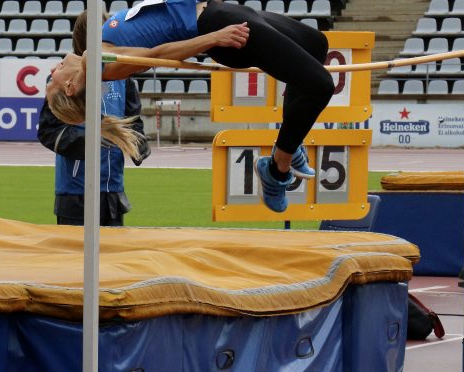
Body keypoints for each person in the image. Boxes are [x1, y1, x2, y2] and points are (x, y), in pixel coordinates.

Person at [45, 0, 335, 213]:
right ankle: (277, 169)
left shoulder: (98, 49)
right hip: (215, 25)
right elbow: (156, 54)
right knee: (321, 85)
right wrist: (213, 38)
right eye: (51, 82)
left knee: (316, 44)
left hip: (219, 11)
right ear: (70, 88)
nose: (53, 70)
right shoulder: (99, 63)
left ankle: (290, 139)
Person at [38, 11, 150, 226]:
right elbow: (49, 131)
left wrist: (139, 146)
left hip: (113, 188)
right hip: (75, 191)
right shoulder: (63, 78)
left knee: (113, 256)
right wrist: (95, 143)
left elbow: (133, 120)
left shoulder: (123, 78)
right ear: (86, 37)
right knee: (74, 258)